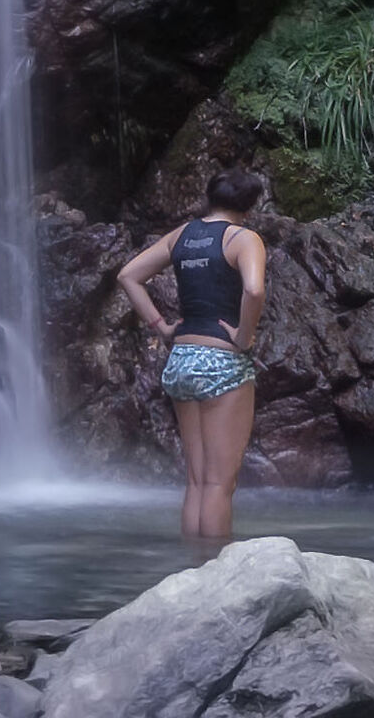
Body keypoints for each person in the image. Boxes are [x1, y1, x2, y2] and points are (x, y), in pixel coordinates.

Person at [117, 168, 267, 541]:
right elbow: (253, 290)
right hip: (222, 364)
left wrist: (162, 326)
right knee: (219, 485)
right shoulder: (244, 239)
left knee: (197, 481)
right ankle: (212, 575)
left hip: (181, 360)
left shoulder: (182, 235)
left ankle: (192, 573)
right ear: (249, 206)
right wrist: (244, 336)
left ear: (210, 197)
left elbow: (128, 276)